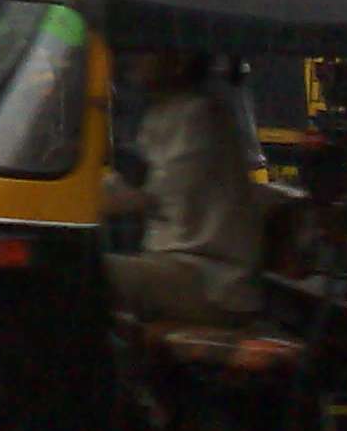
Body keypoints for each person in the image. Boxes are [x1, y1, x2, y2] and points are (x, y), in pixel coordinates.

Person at [101, 50, 270, 326]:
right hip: (173, 265)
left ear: (178, 62)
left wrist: (91, 198)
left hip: (211, 279)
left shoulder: (199, 113)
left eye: (146, 50)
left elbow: (157, 191)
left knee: (90, 272)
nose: (133, 57)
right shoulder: (161, 112)